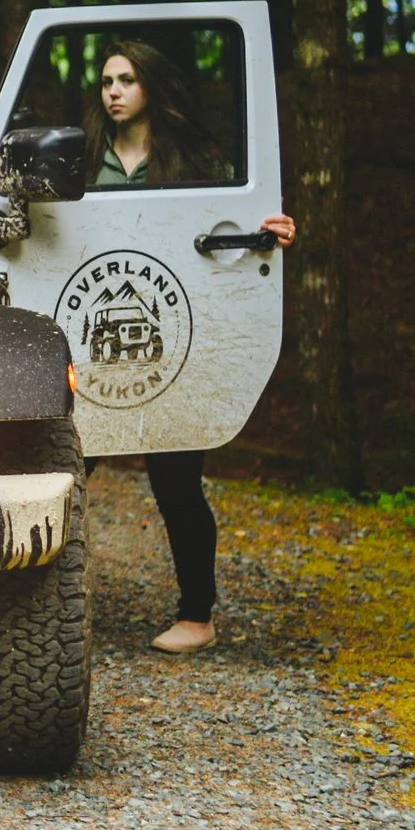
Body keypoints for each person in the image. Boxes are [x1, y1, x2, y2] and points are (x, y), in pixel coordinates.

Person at [83, 38, 295, 656]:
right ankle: (35, 604)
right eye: (107, 81)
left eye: (126, 80)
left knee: (177, 483)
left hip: (172, 337)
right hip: (90, 338)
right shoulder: (85, 156)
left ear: (150, 86)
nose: (114, 91)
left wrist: (273, 228)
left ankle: (197, 616)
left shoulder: (192, 156)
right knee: (64, 475)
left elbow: (237, 223)